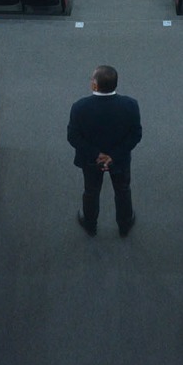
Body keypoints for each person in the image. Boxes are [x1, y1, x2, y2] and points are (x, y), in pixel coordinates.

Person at [68, 64, 142, 237]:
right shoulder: (130, 105)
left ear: (95, 85)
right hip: (120, 159)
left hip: (90, 160)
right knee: (122, 190)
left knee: (91, 191)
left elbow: (73, 137)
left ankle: (90, 224)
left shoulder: (79, 107)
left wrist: (97, 155)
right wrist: (113, 156)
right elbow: (135, 135)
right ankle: (124, 225)